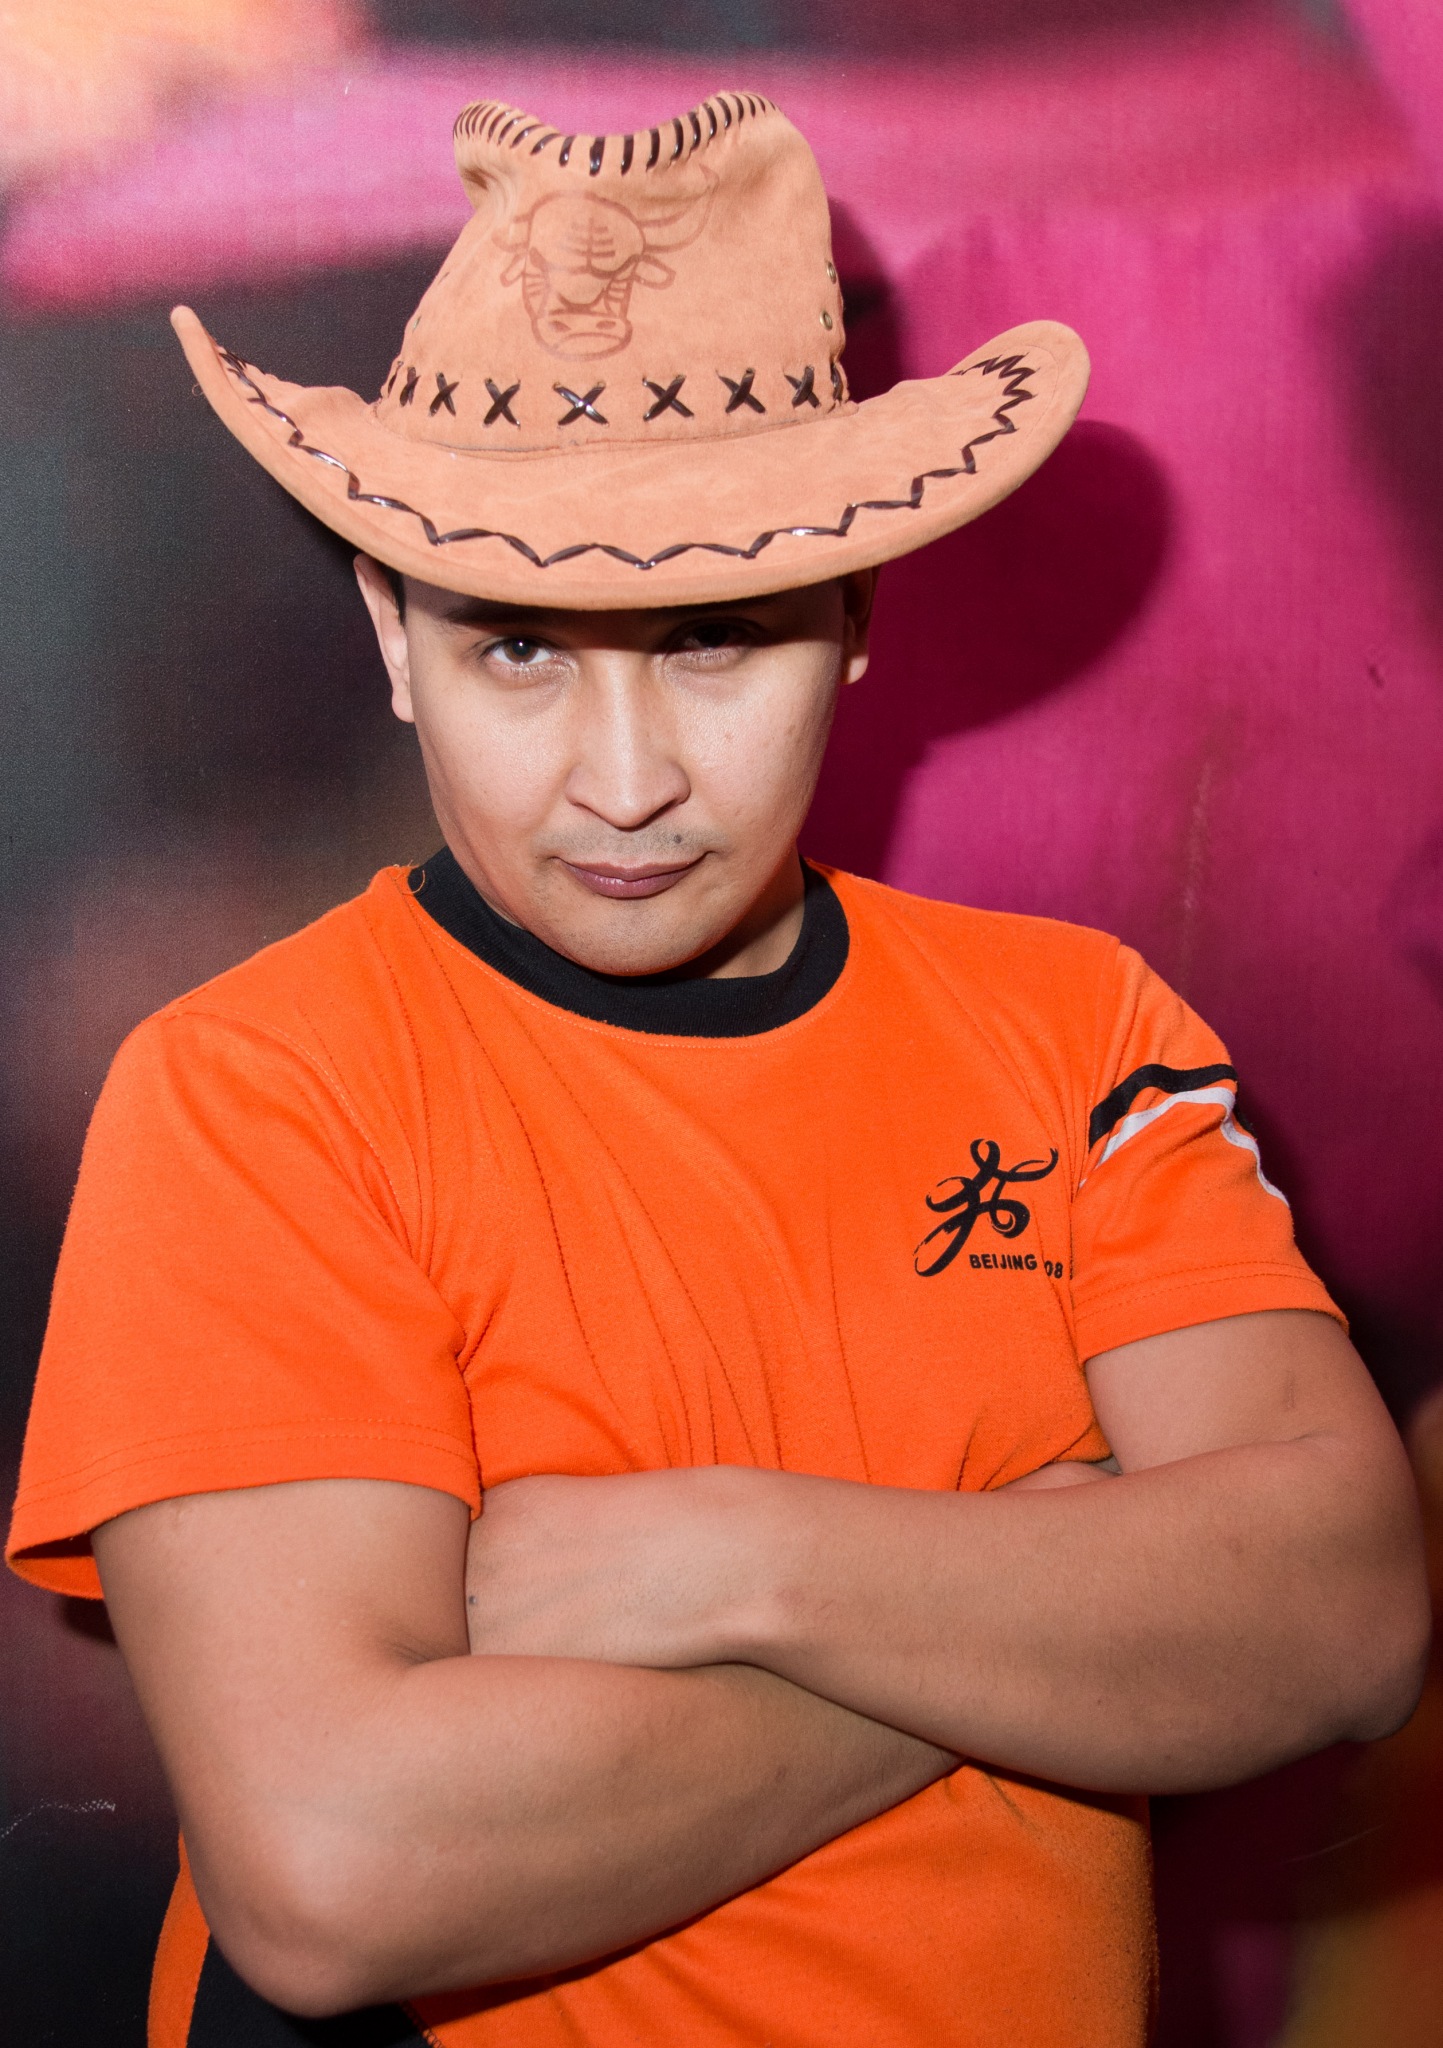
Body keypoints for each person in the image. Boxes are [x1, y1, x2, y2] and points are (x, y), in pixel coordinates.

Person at [6, 88, 1428, 2048]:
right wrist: (1042, 1576)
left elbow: (1343, 1615)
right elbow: (335, 1868)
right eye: (520, 651)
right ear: (393, 636)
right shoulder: (255, 1089)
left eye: (713, 643)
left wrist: (722, 1558)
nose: (625, 780)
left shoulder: (1074, 1028)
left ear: (853, 620)